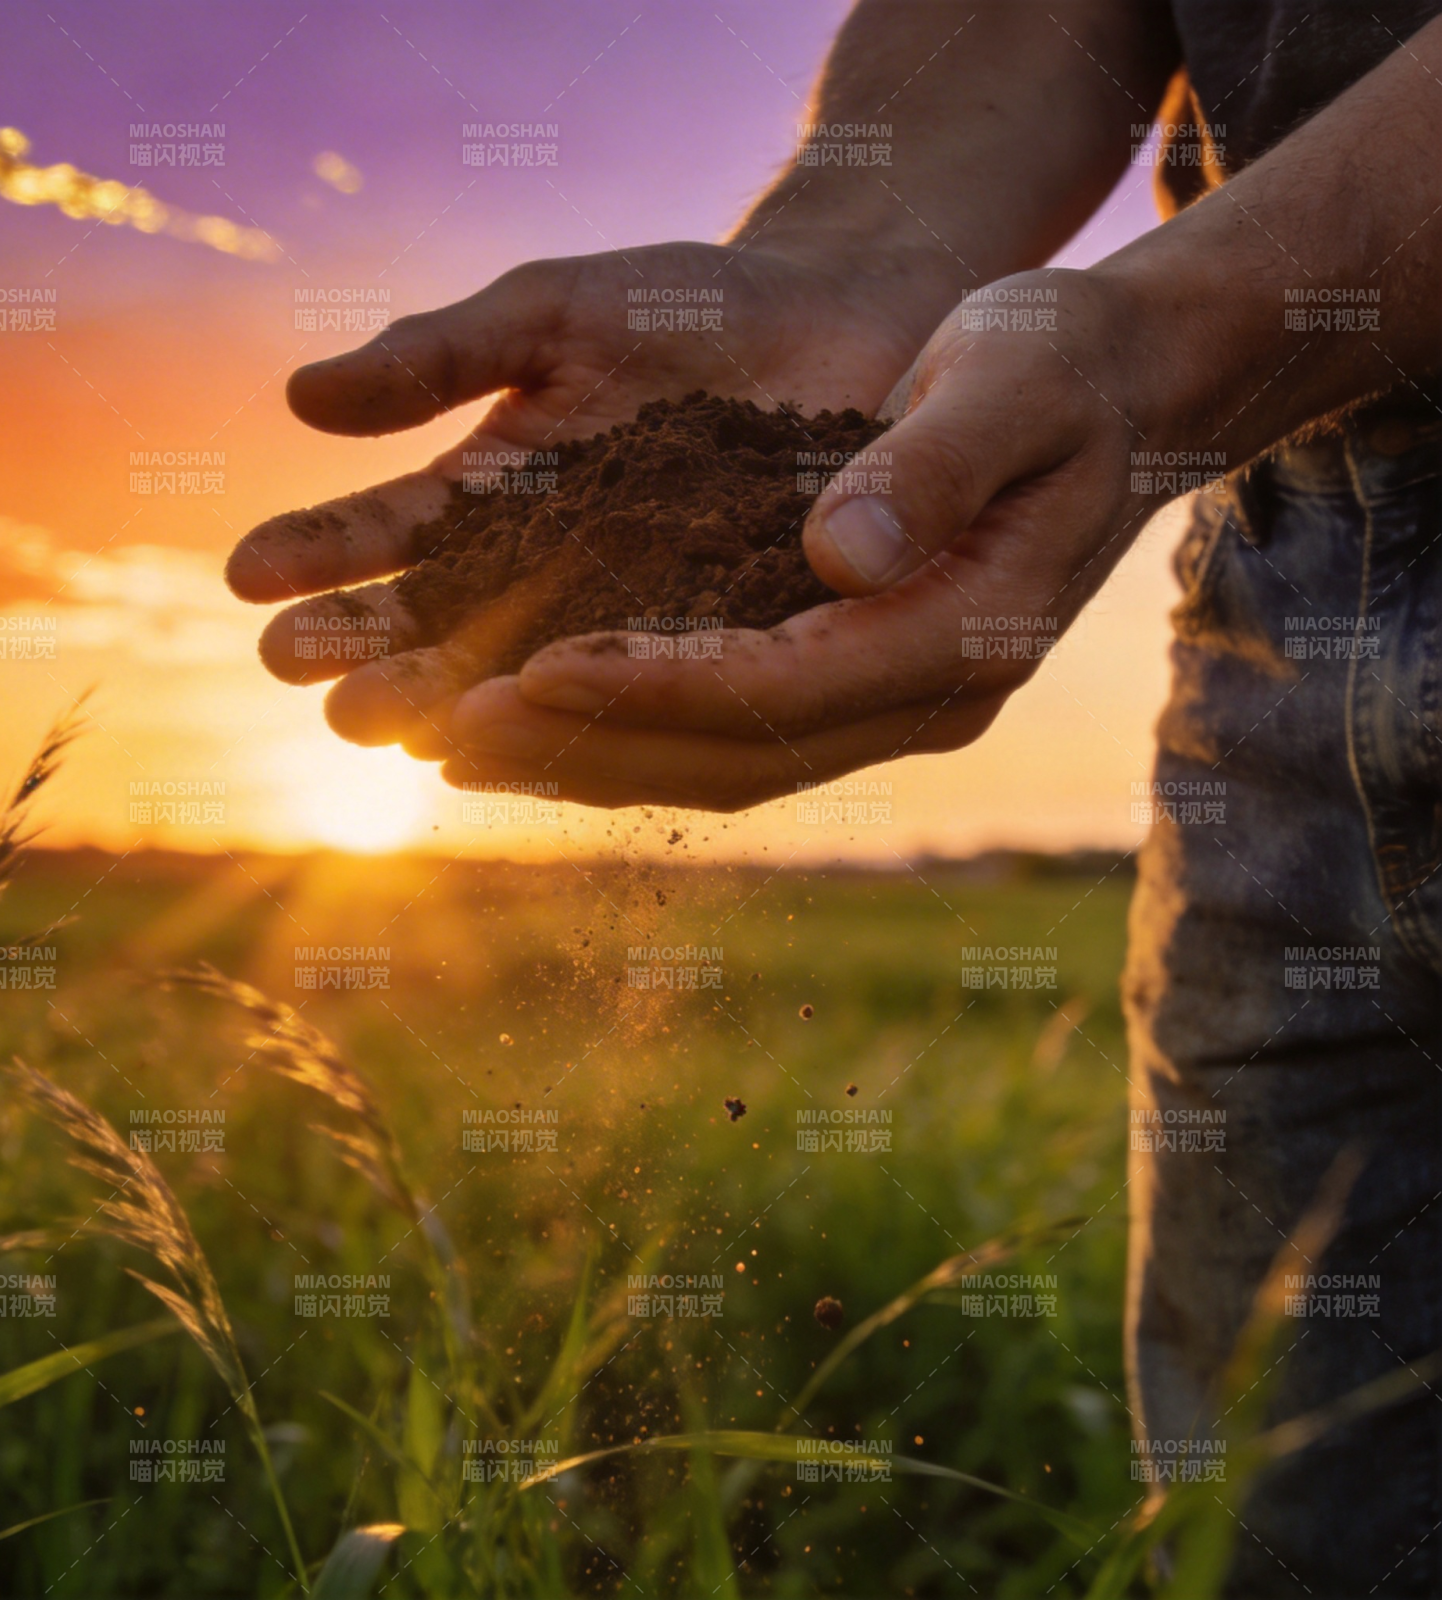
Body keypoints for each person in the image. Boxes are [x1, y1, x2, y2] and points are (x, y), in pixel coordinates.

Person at [228, 3, 1442, 1590]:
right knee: (1274, 1536)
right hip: (1294, 577)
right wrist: (842, 265)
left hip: (1245, 393)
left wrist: (1171, 336)